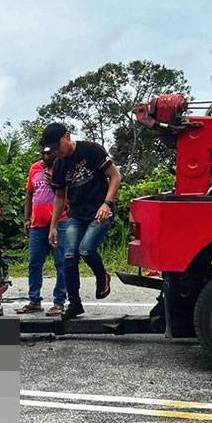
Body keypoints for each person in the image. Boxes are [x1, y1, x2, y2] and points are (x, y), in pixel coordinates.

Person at [42, 123, 123, 319]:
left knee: (85, 249)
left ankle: (102, 276)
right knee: (69, 256)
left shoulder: (91, 149)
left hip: (100, 211)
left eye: (57, 146)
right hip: (76, 215)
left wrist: (107, 203)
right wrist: (53, 226)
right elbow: (60, 197)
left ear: (67, 136)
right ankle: (75, 305)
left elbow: (115, 176)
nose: (57, 152)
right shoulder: (60, 164)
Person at [16, 148, 69, 316]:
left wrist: (54, 182)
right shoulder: (35, 168)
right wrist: (26, 219)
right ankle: (34, 301)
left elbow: (68, 196)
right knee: (34, 263)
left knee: (61, 263)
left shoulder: (64, 168)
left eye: (50, 154)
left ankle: (59, 302)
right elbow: (29, 194)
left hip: (60, 223)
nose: (46, 157)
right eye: (43, 154)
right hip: (37, 224)